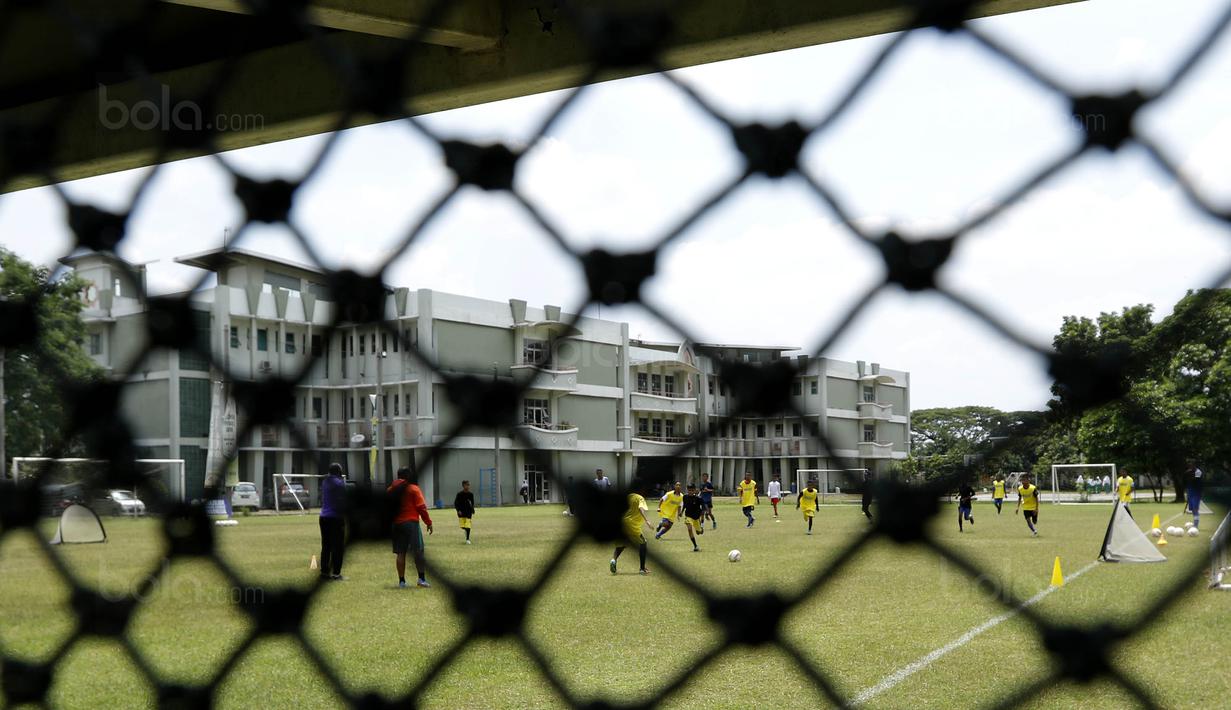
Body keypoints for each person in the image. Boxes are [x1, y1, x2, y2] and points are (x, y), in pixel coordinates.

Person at [389, 467, 433, 588]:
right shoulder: (413, 489)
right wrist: (428, 522)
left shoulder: (390, 490)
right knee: (418, 551)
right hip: (411, 523)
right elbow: (421, 508)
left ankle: (402, 581)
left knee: (400, 553)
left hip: (396, 525)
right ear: (409, 476)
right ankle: (421, 579)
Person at [611, 479, 654, 575]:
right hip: (632, 525)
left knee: (621, 543)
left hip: (623, 523)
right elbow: (641, 508)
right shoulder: (639, 498)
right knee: (643, 543)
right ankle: (642, 569)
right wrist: (647, 520)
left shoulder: (626, 497)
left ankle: (613, 560)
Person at [318, 463, 348, 581]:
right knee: (338, 547)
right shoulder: (339, 483)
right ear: (339, 472)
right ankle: (336, 573)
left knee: (326, 546)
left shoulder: (325, 482)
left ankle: (324, 572)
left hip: (323, 517)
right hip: (335, 518)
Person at [681, 483, 705, 552]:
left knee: (699, 532)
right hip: (688, 516)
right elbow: (684, 505)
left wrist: (703, 514)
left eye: (692, 490)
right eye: (689, 490)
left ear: (695, 490)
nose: (690, 492)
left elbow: (703, 507)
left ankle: (701, 528)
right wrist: (681, 512)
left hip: (696, 518)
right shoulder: (685, 497)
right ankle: (695, 546)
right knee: (689, 529)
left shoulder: (698, 498)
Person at [454, 480, 475, 544]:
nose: (468, 486)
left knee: (468, 525)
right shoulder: (459, 494)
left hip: (468, 512)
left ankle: (467, 539)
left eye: (468, 485)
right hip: (461, 513)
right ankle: (466, 530)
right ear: (463, 486)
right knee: (463, 526)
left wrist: (473, 509)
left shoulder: (471, 494)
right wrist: (458, 510)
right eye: (466, 485)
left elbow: (472, 503)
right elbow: (456, 503)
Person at [1186, 462, 1204, 529]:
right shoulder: (1189, 472)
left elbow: (1196, 481)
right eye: (1189, 466)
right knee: (1193, 509)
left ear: (1194, 465)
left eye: (1191, 465)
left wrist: (1189, 474)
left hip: (1196, 492)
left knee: (1195, 508)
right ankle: (1195, 523)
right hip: (1190, 491)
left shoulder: (1198, 472)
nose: (1190, 467)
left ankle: (1196, 525)